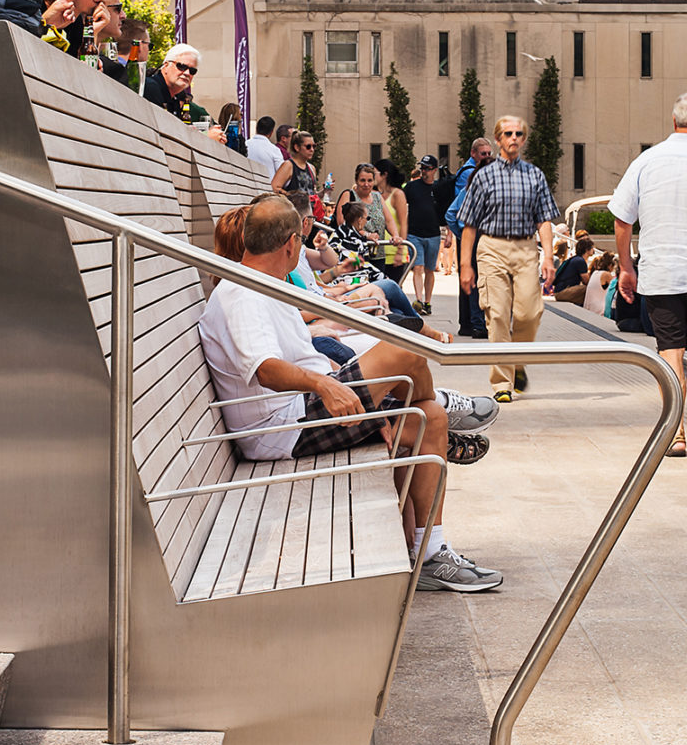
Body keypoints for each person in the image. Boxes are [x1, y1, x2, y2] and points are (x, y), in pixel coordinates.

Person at [199, 196, 502, 591]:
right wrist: (325, 384)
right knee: (405, 351)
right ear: (291, 244)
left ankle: (429, 554)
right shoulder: (243, 294)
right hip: (284, 427)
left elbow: (298, 355)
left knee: (429, 422)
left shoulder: (264, 285)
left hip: (303, 408)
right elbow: (266, 370)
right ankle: (439, 396)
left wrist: (332, 379)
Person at [609, 91, 687, 457]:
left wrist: (626, 267)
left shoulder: (646, 161)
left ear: (672, 121)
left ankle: (675, 433)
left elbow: (622, 219)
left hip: (661, 272)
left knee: (670, 351)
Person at [458, 116, 557, 401]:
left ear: (524, 139)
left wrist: (548, 257)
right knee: (498, 314)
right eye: (507, 134)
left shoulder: (535, 175)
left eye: (518, 134)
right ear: (498, 138)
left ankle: (517, 360)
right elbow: (469, 225)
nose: (513, 138)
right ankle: (502, 383)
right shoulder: (483, 177)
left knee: (529, 313)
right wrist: (466, 266)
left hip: (526, 249)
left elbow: (545, 220)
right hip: (491, 249)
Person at [445, 136, 494, 338]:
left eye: (489, 154)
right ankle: (478, 324)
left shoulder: (471, 182)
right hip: (478, 238)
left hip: (474, 238)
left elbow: (451, 213)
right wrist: (463, 234)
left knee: (474, 282)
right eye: (484, 154)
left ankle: (473, 324)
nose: (486, 157)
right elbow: (452, 214)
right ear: (473, 154)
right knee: (479, 282)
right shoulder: (471, 180)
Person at [403, 156, 444, 314]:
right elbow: (400, 204)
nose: (424, 171)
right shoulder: (411, 187)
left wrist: (447, 233)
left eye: (428, 168)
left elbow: (445, 210)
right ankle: (419, 300)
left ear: (434, 170)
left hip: (433, 234)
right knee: (418, 267)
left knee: (429, 269)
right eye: (422, 168)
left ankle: (427, 302)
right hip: (414, 234)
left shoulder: (438, 188)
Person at [271, 129, 319, 199]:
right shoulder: (288, 165)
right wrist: (291, 196)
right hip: (293, 208)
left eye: (314, 146)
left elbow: (312, 192)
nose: (312, 149)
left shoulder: (311, 168)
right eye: (308, 146)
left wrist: (324, 191)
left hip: (309, 209)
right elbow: (274, 187)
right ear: (297, 147)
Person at [550, 232, 593, 303]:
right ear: (587, 250)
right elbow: (586, 281)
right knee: (588, 289)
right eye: (592, 248)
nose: (593, 250)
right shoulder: (580, 261)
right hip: (562, 292)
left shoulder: (574, 259)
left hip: (559, 290)